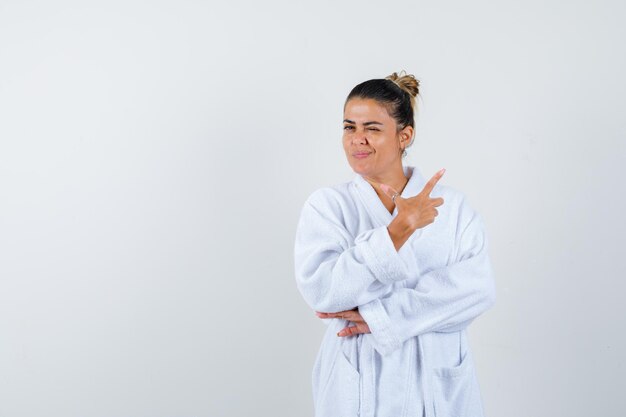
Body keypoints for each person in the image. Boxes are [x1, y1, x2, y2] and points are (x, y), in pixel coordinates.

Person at [293, 70, 497, 417]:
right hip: (359, 379)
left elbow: (478, 289)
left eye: (372, 128)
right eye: (349, 127)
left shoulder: (453, 208)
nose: (357, 139)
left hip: (436, 382)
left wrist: (382, 317)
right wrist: (397, 231)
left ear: (405, 136)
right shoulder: (328, 206)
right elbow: (324, 292)